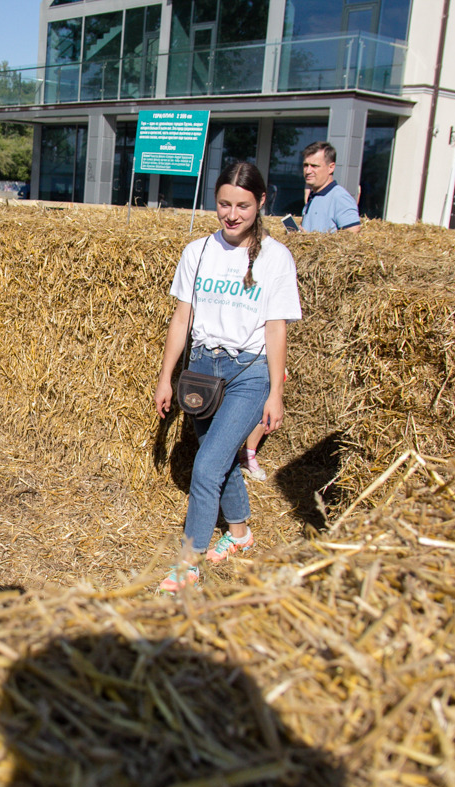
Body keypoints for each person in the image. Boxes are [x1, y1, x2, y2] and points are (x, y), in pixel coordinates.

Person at [153, 162, 302, 591]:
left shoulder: (276, 258)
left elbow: (277, 328)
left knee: (205, 468)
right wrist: (167, 377)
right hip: (202, 370)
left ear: (261, 203)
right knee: (220, 460)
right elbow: (182, 318)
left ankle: (189, 562)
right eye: (223, 204)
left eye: (242, 205)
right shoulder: (197, 252)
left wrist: (275, 393)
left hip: (248, 373)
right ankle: (240, 534)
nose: (232, 214)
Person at [300, 142, 361, 233]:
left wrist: (312, 241)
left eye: (314, 166)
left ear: (331, 168)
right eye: (306, 165)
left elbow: (352, 236)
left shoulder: (340, 197)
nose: (308, 171)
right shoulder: (313, 196)